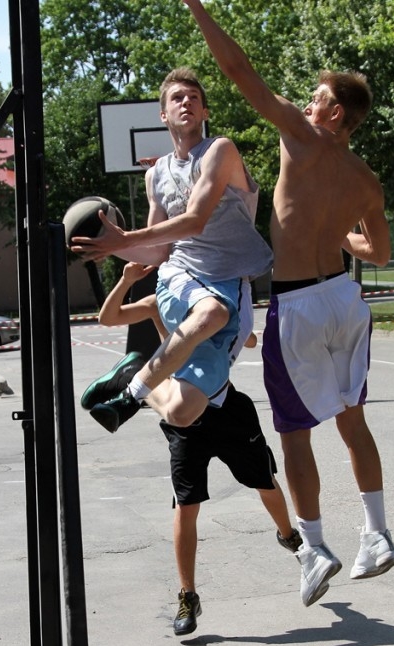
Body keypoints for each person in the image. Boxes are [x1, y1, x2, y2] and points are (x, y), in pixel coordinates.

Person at [182, 0, 394, 607]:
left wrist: (197, 8)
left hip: (300, 304)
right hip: (345, 299)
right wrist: (337, 234)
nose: (305, 104)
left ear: (333, 111)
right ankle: (378, 534)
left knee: (296, 434)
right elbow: (378, 252)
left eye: (314, 97)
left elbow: (237, 68)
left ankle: (313, 548)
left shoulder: (303, 138)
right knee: (352, 423)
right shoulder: (364, 177)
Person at [86, 261, 301, 636]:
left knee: (263, 480)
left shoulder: (214, 302)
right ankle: (187, 595)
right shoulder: (161, 301)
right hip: (184, 415)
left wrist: (245, 331)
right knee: (187, 507)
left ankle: (291, 536)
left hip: (225, 408)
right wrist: (125, 280)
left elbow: (246, 338)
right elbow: (108, 318)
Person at [71, 67, 272, 433]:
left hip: (231, 285)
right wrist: (113, 248)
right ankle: (131, 395)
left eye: (194, 97)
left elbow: (195, 219)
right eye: (177, 97)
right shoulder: (156, 174)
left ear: (205, 112)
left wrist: (124, 241)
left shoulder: (220, 150)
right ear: (163, 114)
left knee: (184, 412)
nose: (187, 102)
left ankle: (133, 370)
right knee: (211, 312)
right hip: (182, 278)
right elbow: (161, 251)